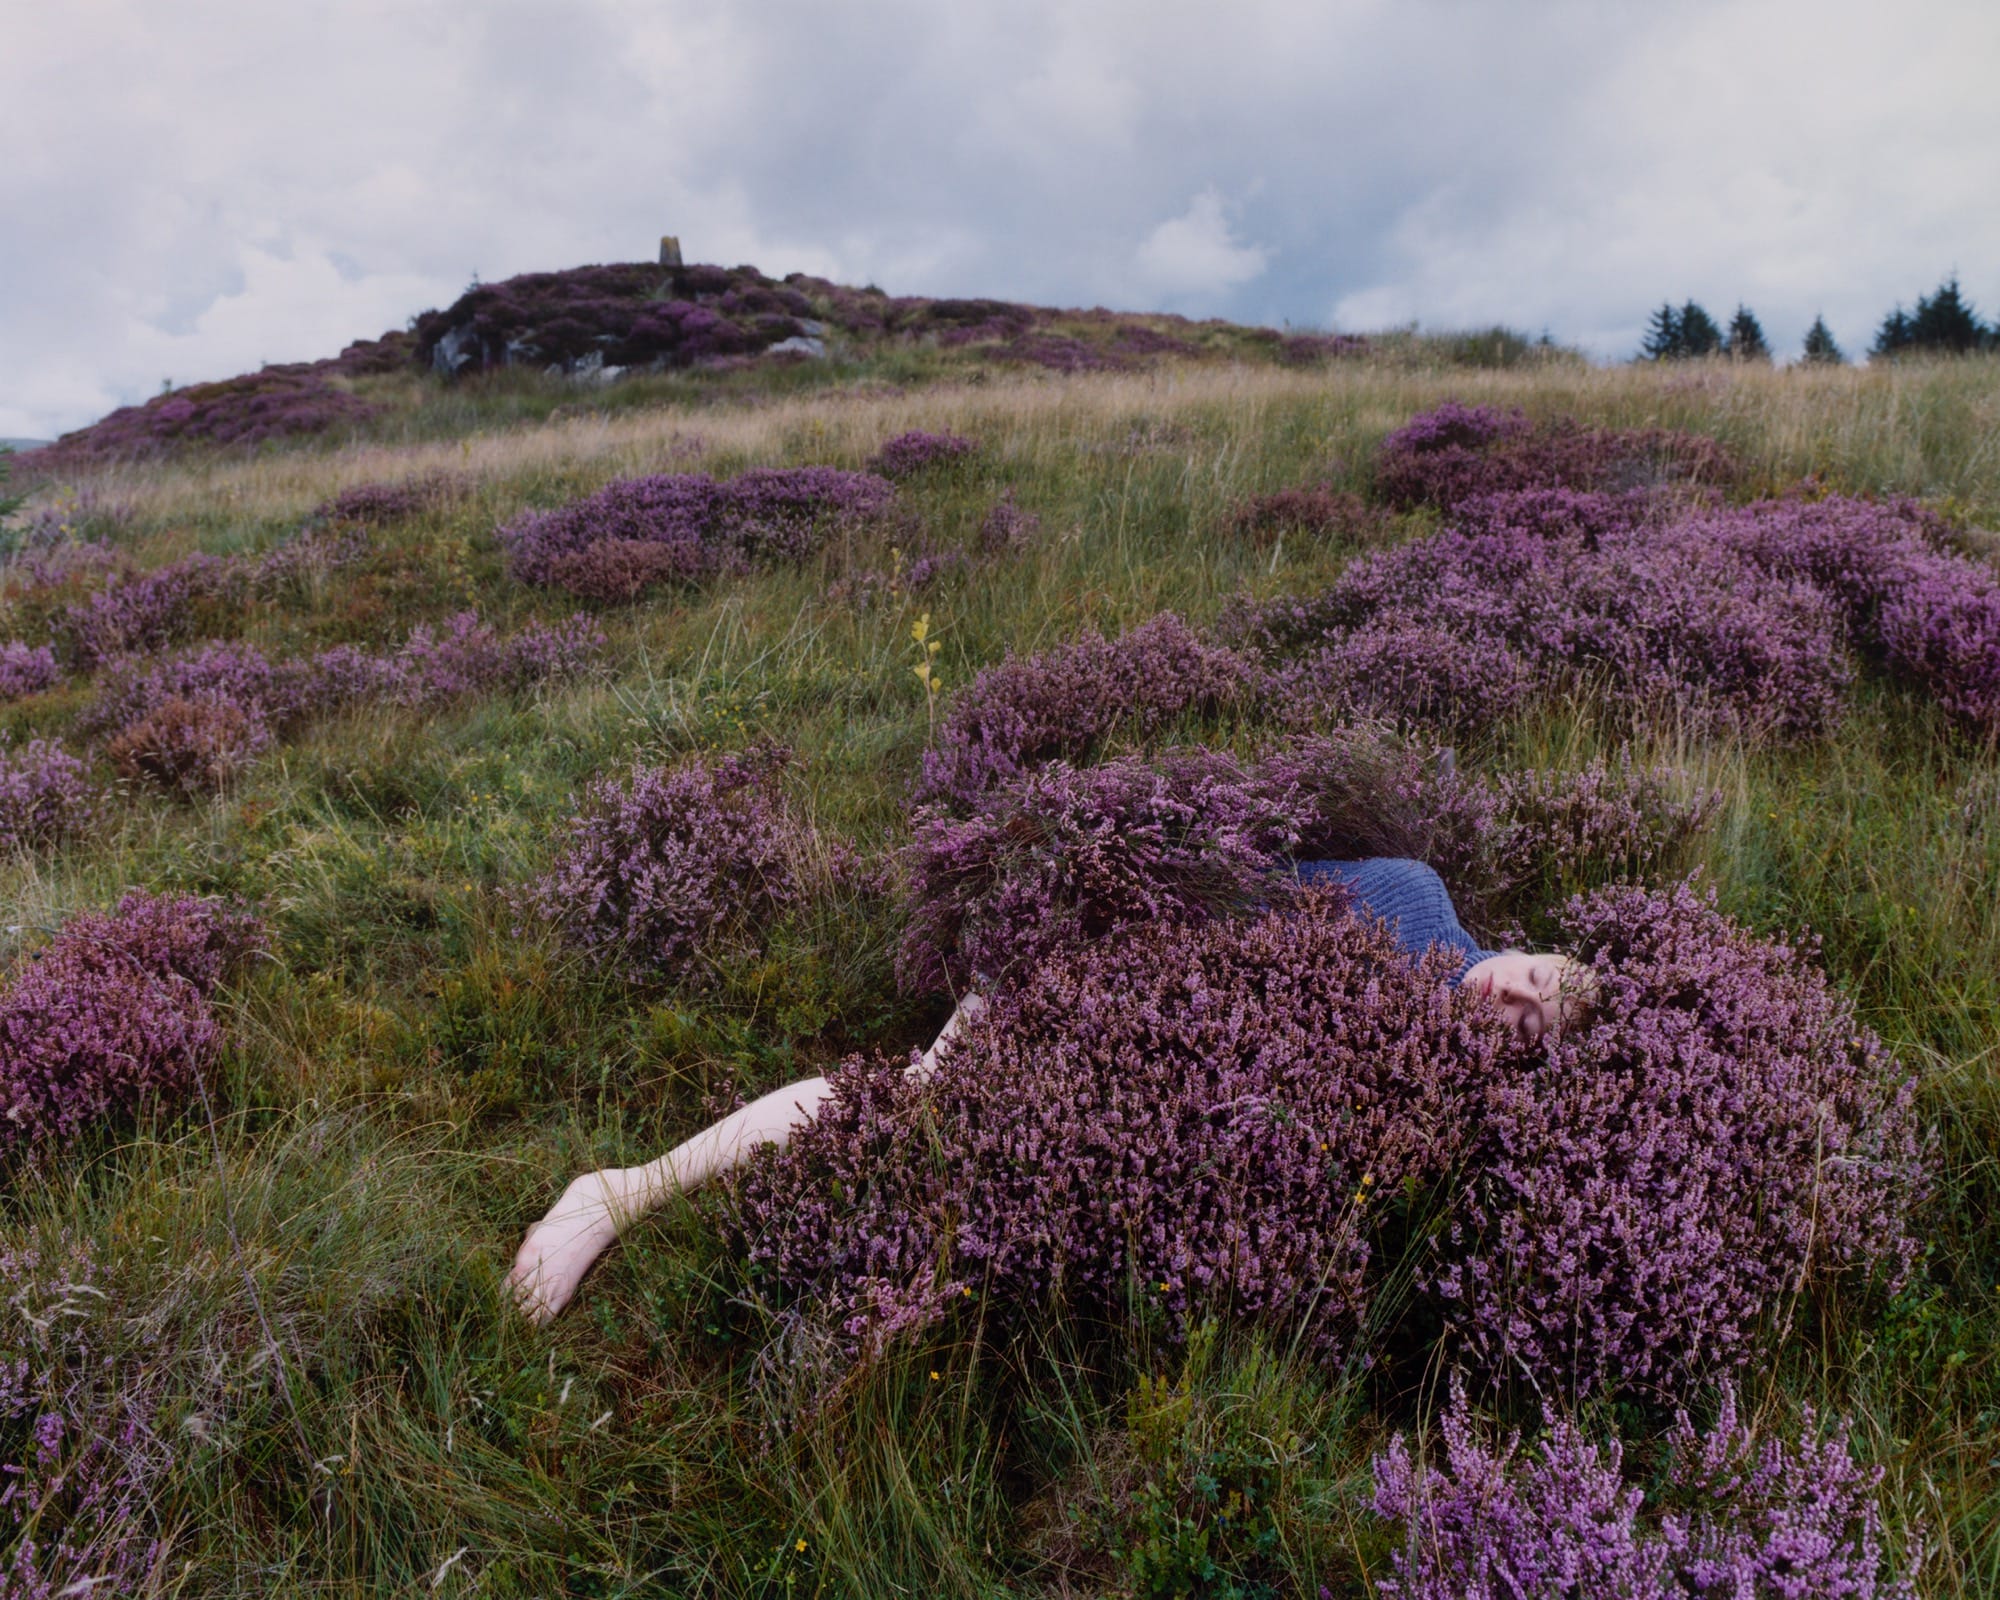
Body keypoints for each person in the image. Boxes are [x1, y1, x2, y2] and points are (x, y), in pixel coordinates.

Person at [506, 857, 1588, 1323]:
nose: (1512, 1000)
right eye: (1534, 977)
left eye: (1530, 1027)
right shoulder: (1413, 895)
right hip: (1084, 970)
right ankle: (615, 1195)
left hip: (1135, 1082)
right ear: (1528, 946)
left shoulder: (1429, 1092)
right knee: (917, 1096)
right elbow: (1216, 883)